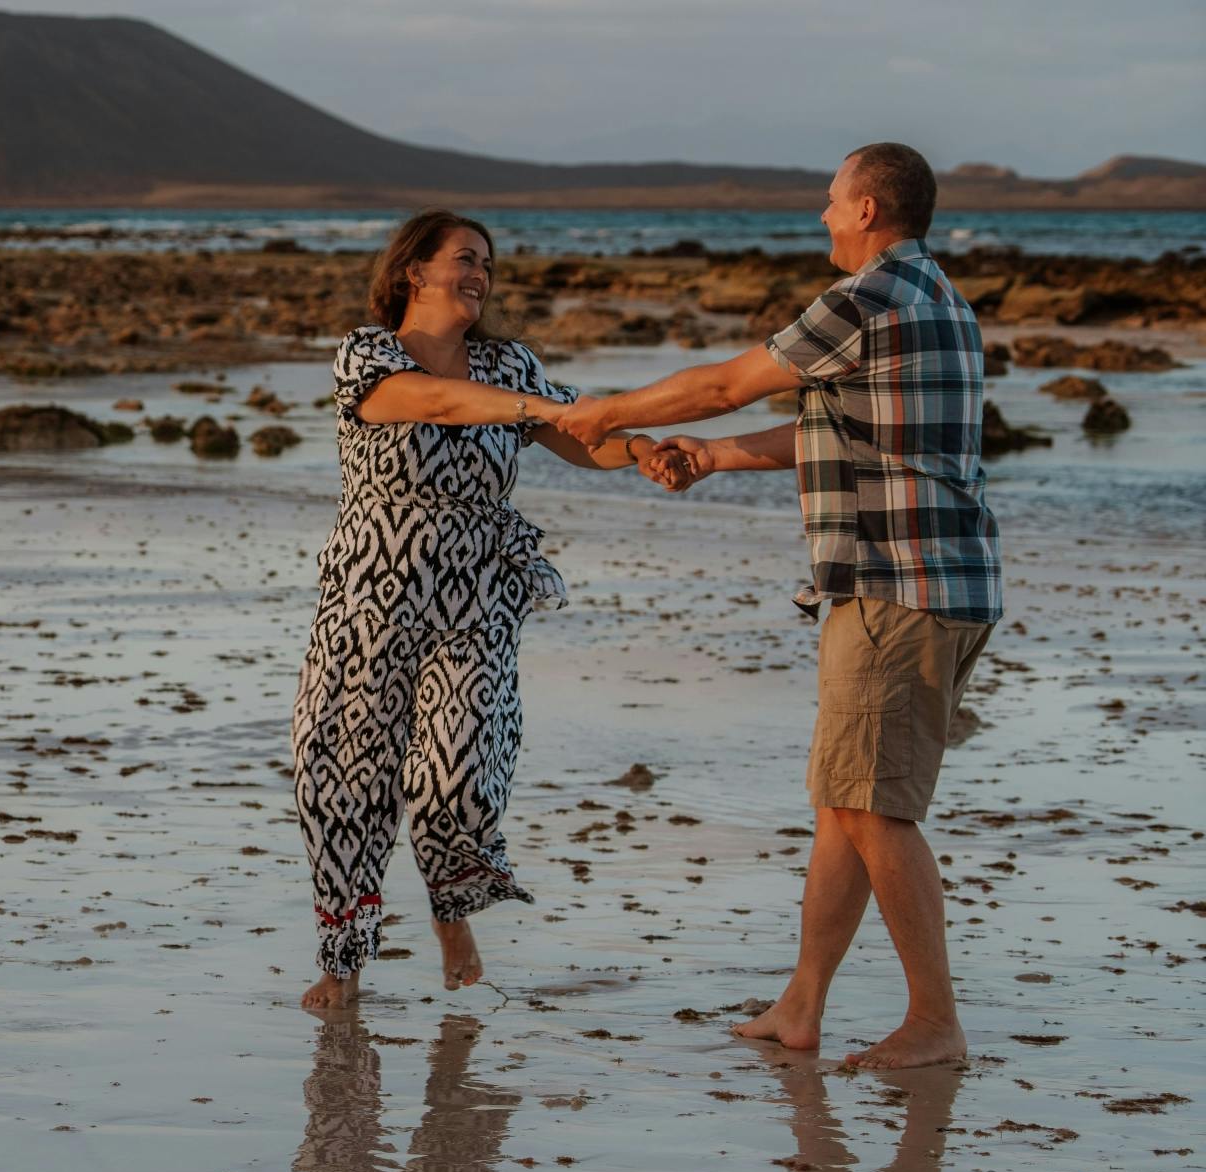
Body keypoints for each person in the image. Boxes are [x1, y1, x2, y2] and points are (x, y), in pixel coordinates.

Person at [557, 143, 1001, 1068]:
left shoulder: (869, 297)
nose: (823, 216)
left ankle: (934, 1020)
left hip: (896, 583)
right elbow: (832, 429)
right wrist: (712, 457)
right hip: (937, 581)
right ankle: (802, 1003)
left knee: (877, 808)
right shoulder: (941, 298)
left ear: (869, 208)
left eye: (832, 200)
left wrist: (600, 417)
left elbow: (727, 380)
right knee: (847, 802)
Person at [295, 209, 664, 1010]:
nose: (479, 274)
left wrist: (647, 451)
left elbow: (581, 435)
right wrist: (536, 408)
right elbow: (431, 403)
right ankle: (344, 958)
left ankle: (452, 907)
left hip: (478, 590)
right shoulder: (368, 354)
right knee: (344, 778)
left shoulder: (509, 364)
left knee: (459, 773)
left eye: (487, 265)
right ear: (412, 272)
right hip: (371, 590)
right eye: (464, 258)